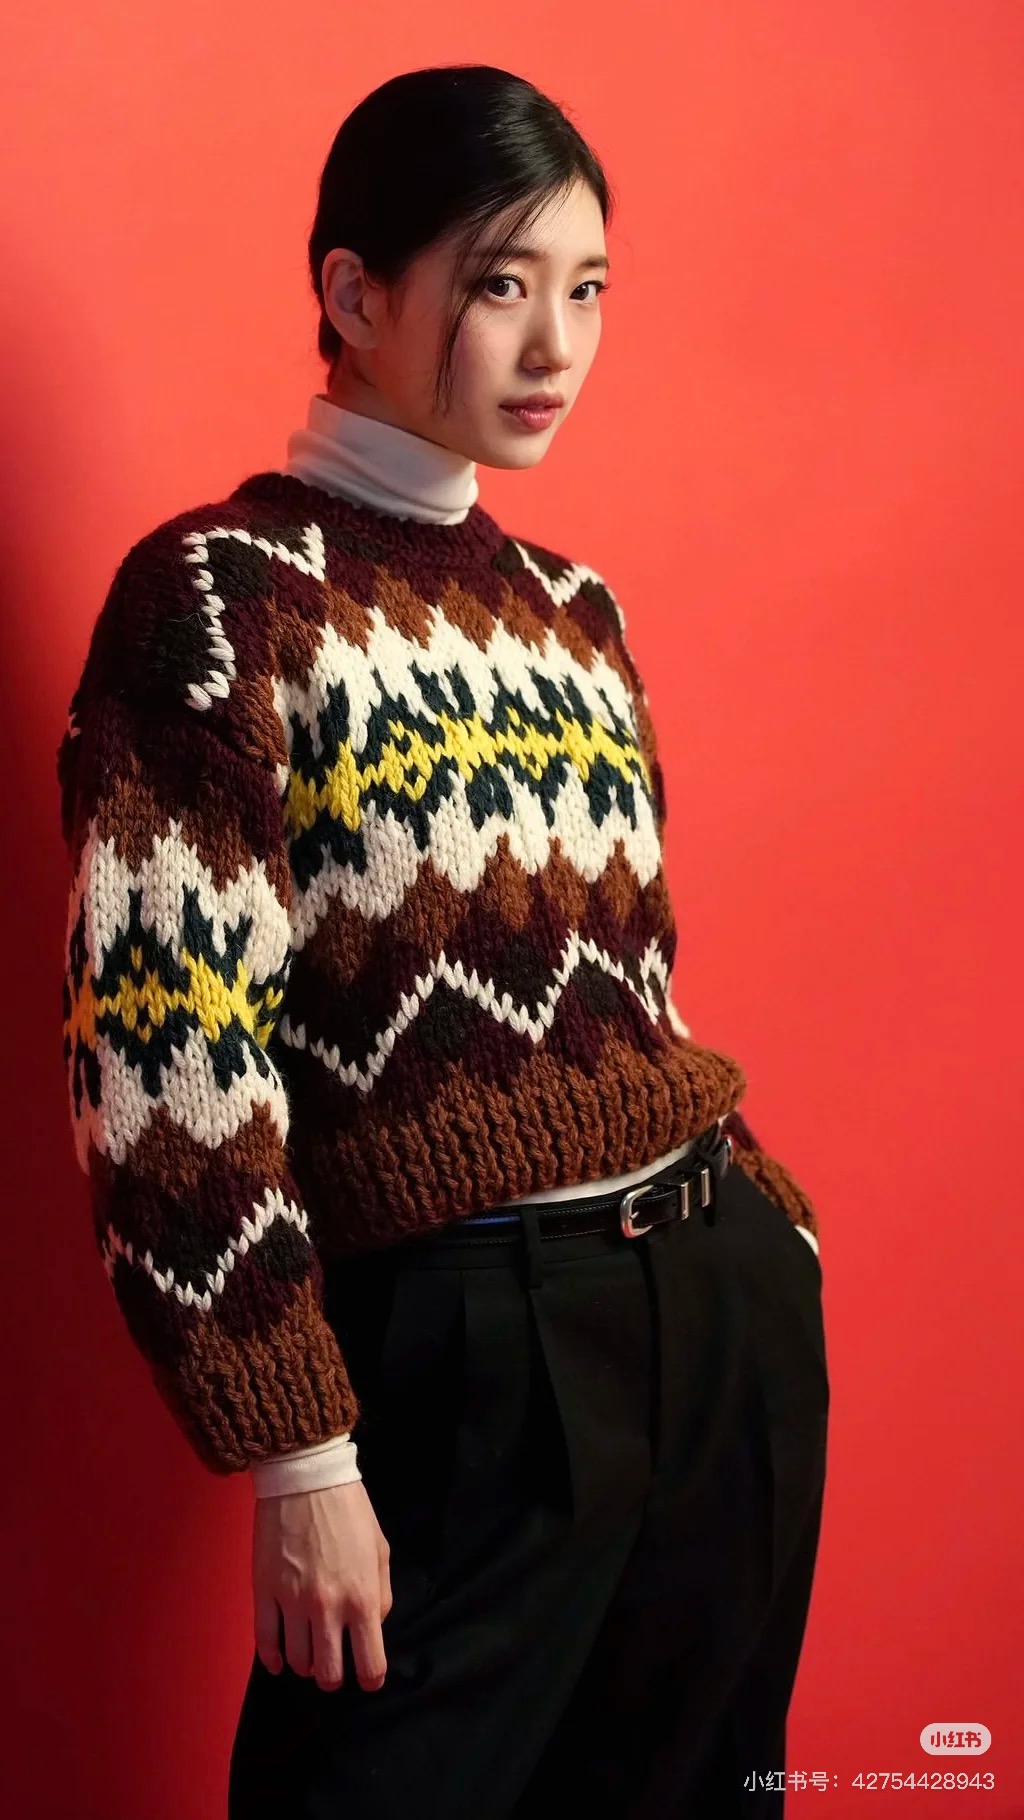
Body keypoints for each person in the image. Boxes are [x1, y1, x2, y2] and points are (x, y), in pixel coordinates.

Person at [57, 63, 829, 1820]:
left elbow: (629, 993)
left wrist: (768, 1232)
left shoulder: (577, 616)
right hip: (471, 1352)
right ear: (352, 292)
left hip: (718, 1320)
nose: (556, 347)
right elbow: (163, 1058)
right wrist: (296, 1453)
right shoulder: (217, 600)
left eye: (589, 289)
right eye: (500, 285)